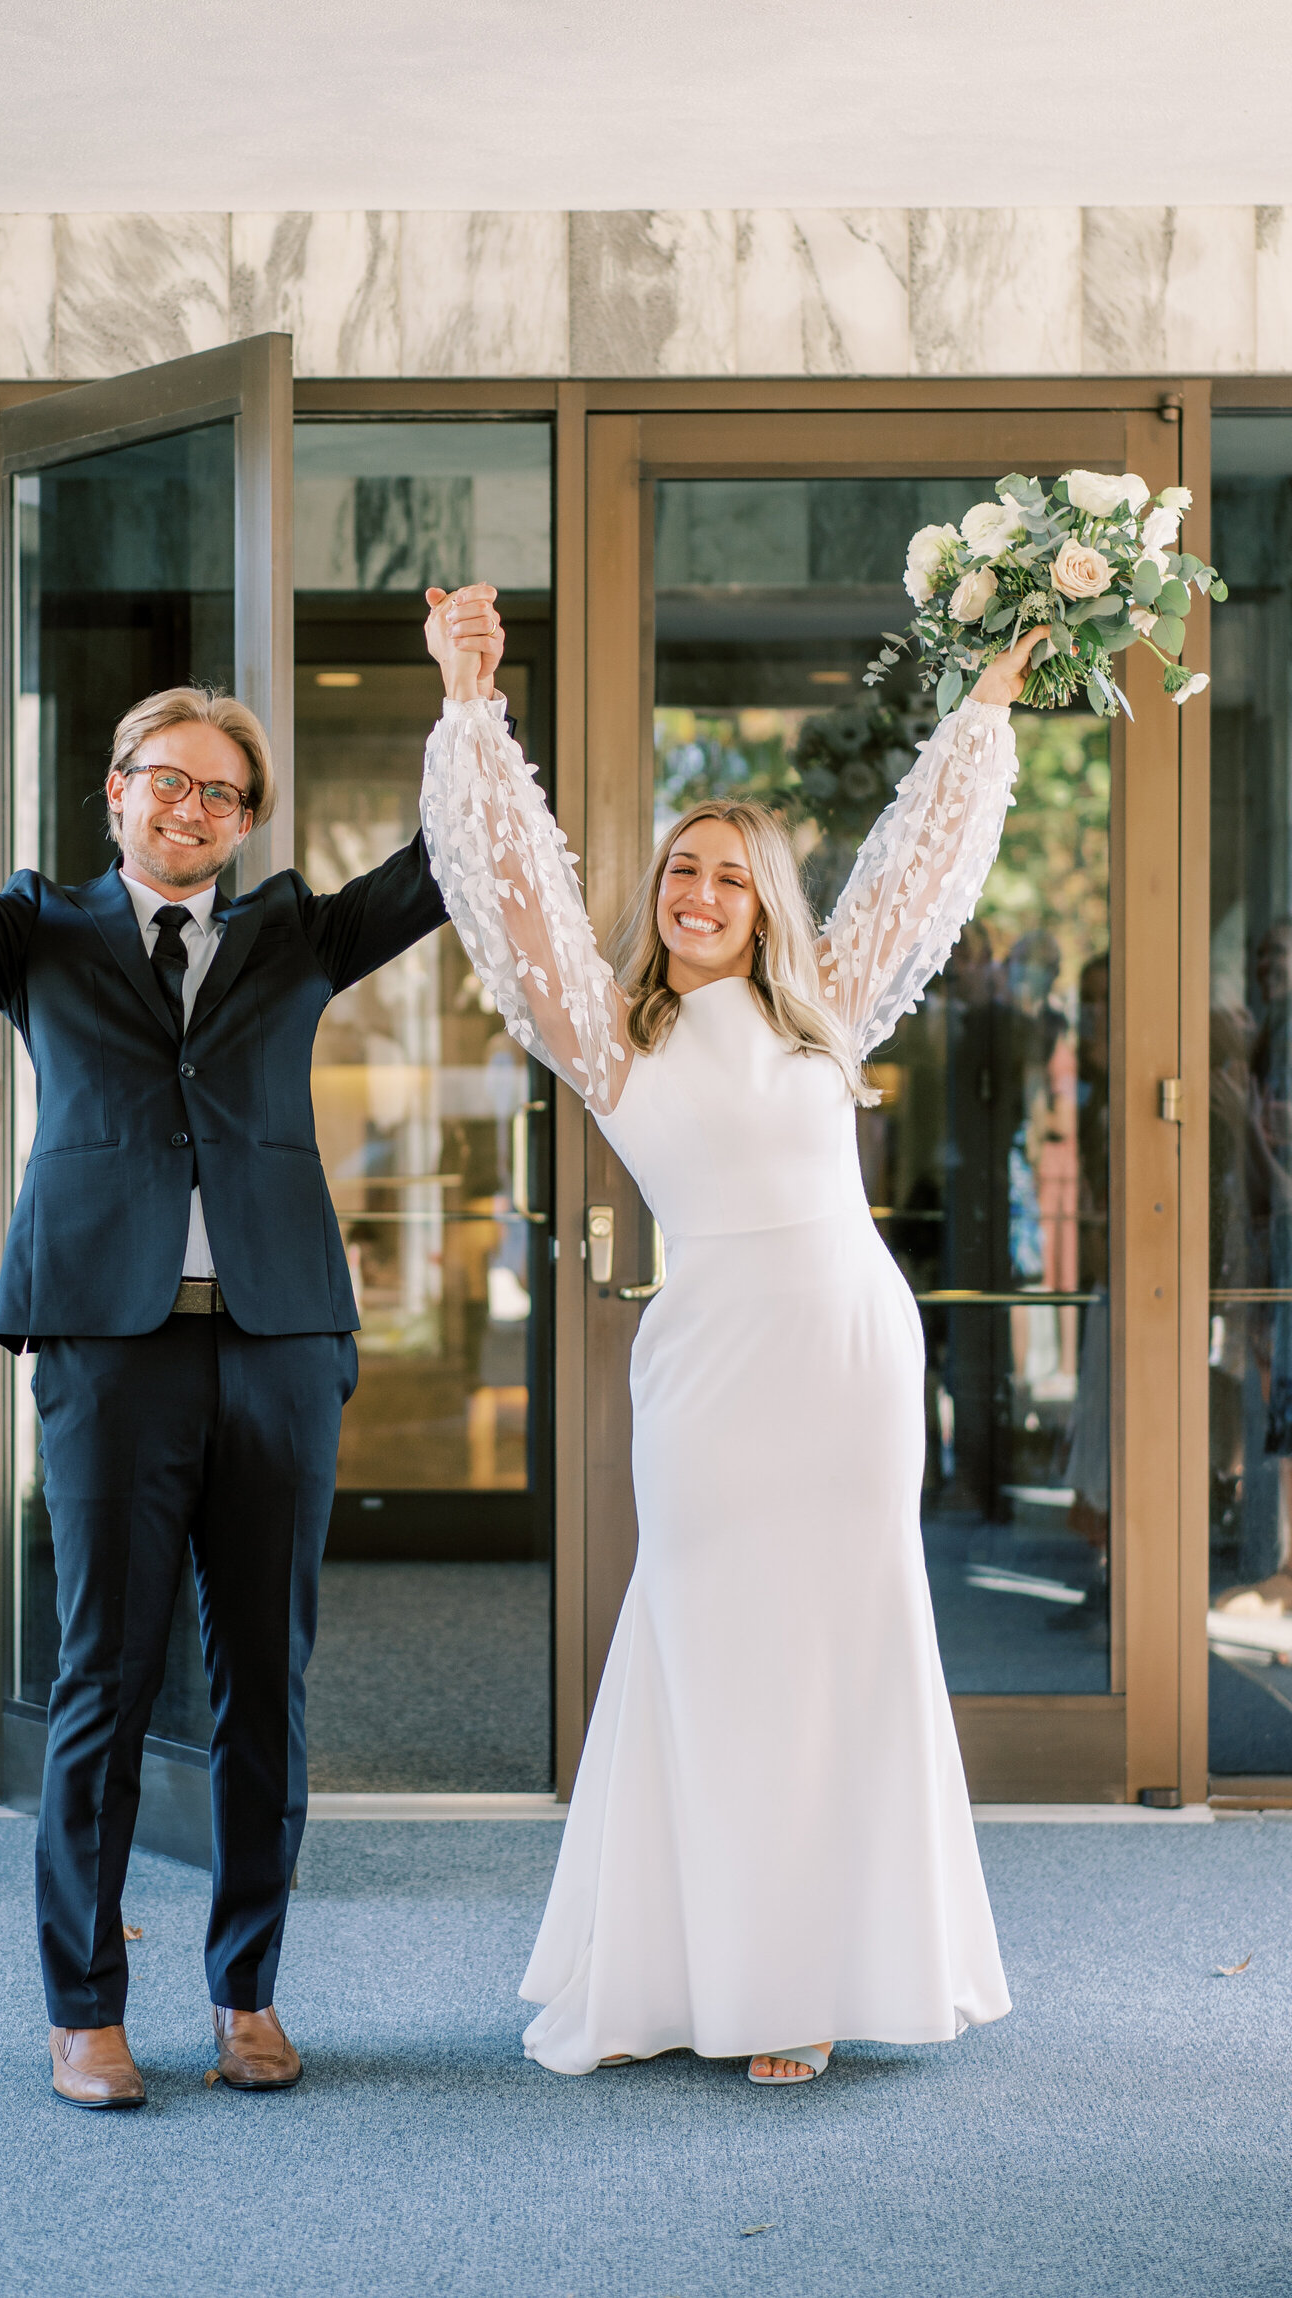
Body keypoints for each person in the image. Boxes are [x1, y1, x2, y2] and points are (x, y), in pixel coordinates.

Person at [0, 544, 498, 2107]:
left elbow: (449, 868)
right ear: (113, 792)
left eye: (222, 793)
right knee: (105, 1676)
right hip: (110, 1348)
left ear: (246, 820)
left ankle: (248, 1990)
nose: (190, 809)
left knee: (267, 1676)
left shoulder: (296, 936)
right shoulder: (33, 934)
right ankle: (86, 2006)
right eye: (165, 781)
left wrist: (467, 703)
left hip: (277, 1342)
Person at [419, 586, 1047, 2085]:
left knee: (846, 1649)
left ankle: (812, 1977)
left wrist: (988, 708)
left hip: (849, 1358)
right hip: (711, 1374)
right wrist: (468, 702)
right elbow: (513, 889)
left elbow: (916, 865)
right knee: (711, 1648)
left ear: (769, 902)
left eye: (729, 876)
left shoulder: (830, 1006)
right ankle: (684, 1965)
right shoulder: (605, 1028)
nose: (696, 891)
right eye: (679, 871)